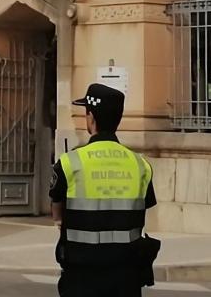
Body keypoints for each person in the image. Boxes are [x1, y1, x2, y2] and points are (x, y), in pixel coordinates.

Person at [49, 83, 160, 297]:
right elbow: (144, 210)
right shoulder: (140, 164)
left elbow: (57, 210)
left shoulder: (70, 162)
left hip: (82, 276)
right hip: (126, 277)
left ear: (91, 118)